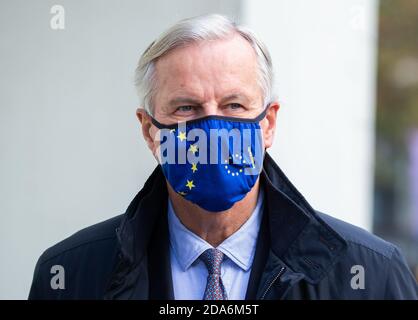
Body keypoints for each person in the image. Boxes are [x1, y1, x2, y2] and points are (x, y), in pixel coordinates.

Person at [29, 14, 418, 300]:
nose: (212, 126)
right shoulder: (71, 275)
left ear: (268, 124)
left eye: (233, 105)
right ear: (150, 130)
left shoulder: (370, 275)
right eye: (186, 108)